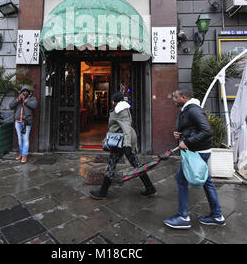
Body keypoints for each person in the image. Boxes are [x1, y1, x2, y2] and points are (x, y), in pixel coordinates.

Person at [164, 89, 226, 229]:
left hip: (197, 152)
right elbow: (193, 129)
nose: (173, 99)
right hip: (197, 151)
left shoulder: (193, 110)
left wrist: (187, 142)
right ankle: (217, 215)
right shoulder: (188, 109)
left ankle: (183, 217)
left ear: (184, 97)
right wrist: (180, 135)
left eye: (176, 97)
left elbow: (207, 131)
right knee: (206, 181)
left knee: (181, 178)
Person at [90, 91, 157, 200]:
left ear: (114, 101)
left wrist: (127, 146)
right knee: (136, 164)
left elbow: (126, 127)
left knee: (112, 164)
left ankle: (103, 192)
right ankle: (150, 188)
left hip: (122, 141)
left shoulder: (121, 110)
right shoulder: (122, 108)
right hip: (123, 140)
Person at [9, 85, 37, 164]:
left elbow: (34, 106)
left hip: (26, 123)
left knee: (25, 139)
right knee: (19, 139)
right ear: (21, 92)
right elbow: (11, 106)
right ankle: (21, 153)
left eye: (26, 91)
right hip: (18, 122)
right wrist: (18, 100)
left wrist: (25, 101)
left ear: (29, 92)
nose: (24, 92)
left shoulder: (32, 99)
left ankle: (24, 155)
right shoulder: (18, 99)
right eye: (23, 91)